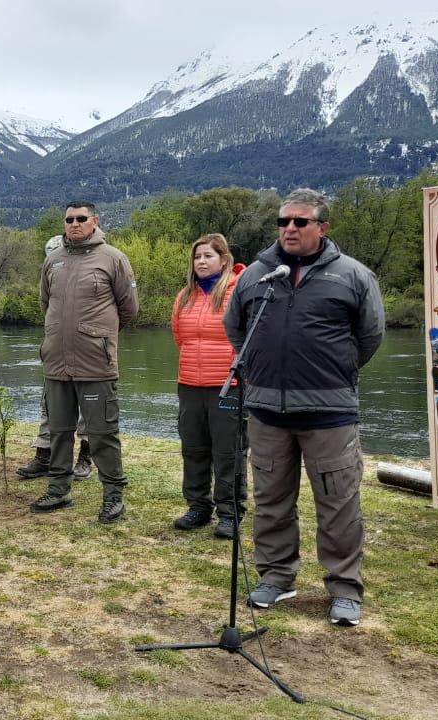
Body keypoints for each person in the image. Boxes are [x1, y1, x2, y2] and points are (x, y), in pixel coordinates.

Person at [223, 188, 384, 627]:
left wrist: (335, 369)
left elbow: (370, 336)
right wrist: (258, 366)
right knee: (271, 499)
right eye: (283, 222)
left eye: (300, 221)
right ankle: (277, 577)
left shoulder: (353, 275)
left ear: (322, 227)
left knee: (339, 502)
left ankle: (344, 588)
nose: (289, 229)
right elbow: (236, 327)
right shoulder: (256, 275)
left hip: (329, 412)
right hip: (266, 410)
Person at [30, 201, 138, 523]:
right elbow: (45, 304)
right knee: (59, 431)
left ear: (94, 221)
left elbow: (129, 308)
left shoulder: (113, 258)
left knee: (102, 433)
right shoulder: (53, 261)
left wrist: (98, 337)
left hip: (95, 364)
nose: (74, 224)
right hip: (56, 363)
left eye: (81, 218)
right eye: (69, 219)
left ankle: (113, 497)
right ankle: (58, 490)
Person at [170, 234, 246, 539]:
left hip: (228, 385)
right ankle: (198, 507)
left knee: (228, 452)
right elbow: (179, 337)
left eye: (208, 256)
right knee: (193, 449)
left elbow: (250, 337)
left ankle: (229, 513)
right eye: (197, 256)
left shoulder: (238, 292)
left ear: (224, 260)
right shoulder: (184, 296)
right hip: (190, 384)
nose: (201, 261)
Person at [17, 234, 92, 480]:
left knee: (89, 407)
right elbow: (46, 309)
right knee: (49, 403)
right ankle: (44, 455)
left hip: (89, 351)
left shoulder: (93, 274)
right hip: (56, 350)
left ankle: (86, 456)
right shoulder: (49, 279)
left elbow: (123, 309)